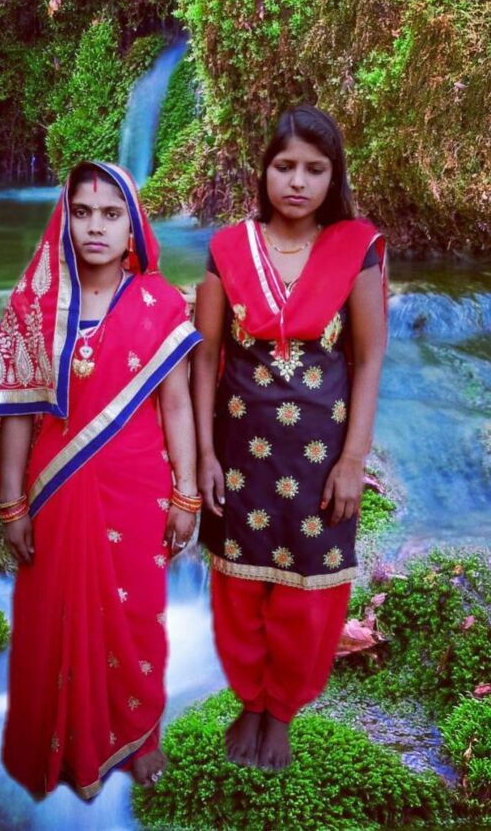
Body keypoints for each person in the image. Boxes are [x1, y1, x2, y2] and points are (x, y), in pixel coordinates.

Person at [0, 161, 203, 800]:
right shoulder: (34, 304)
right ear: (65, 219)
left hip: (138, 491)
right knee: (52, 620)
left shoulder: (159, 303)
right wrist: (12, 504)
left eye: (111, 213)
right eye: (82, 212)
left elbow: (176, 404)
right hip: (55, 489)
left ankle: (138, 738)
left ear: (134, 227)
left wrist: (186, 493)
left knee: (136, 618)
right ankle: (62, 748)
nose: (95, 226)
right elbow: (18, 411)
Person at [192, 105, 387, 772]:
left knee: (311, 588)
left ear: (334, 177)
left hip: (320, 456)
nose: (297, 181)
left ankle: (282, 709)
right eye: (284, 166)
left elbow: (369, 359)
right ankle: (249, 698)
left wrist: (353, 458)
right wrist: (203, 453)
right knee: (237, 585)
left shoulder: (357, 249)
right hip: (239, 453)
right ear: (263, 171)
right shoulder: (228, 249)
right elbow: (204, 358)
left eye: (314, 168)